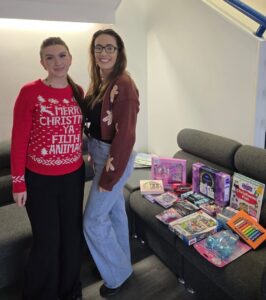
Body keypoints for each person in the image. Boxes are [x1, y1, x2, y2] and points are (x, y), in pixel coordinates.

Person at [11, 37, 85, 300]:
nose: (57, 62)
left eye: (62, 55)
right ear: (42, 62)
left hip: (73, 177)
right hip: (40, 180)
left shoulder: (78, 91)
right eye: (50, 57)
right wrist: (18, 182)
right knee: (47, 241)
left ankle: (70, 292)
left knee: (71, 238)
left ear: (71, 58)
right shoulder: (29, 92)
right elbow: (19, 139)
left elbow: (79, 130)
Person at [83, 28, 140, 298]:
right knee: (115, 212)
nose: (104, 53)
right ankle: (120, 262)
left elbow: (125, 136)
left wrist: (109, 176)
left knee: (92, 221)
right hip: (100, 155)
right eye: (99, 47)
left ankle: (117, 273)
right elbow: (93, 122)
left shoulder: (124, 84)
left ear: (119, 52)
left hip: (114, 158)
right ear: (93, 52)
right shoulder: (99, 81)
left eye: (110, 48)